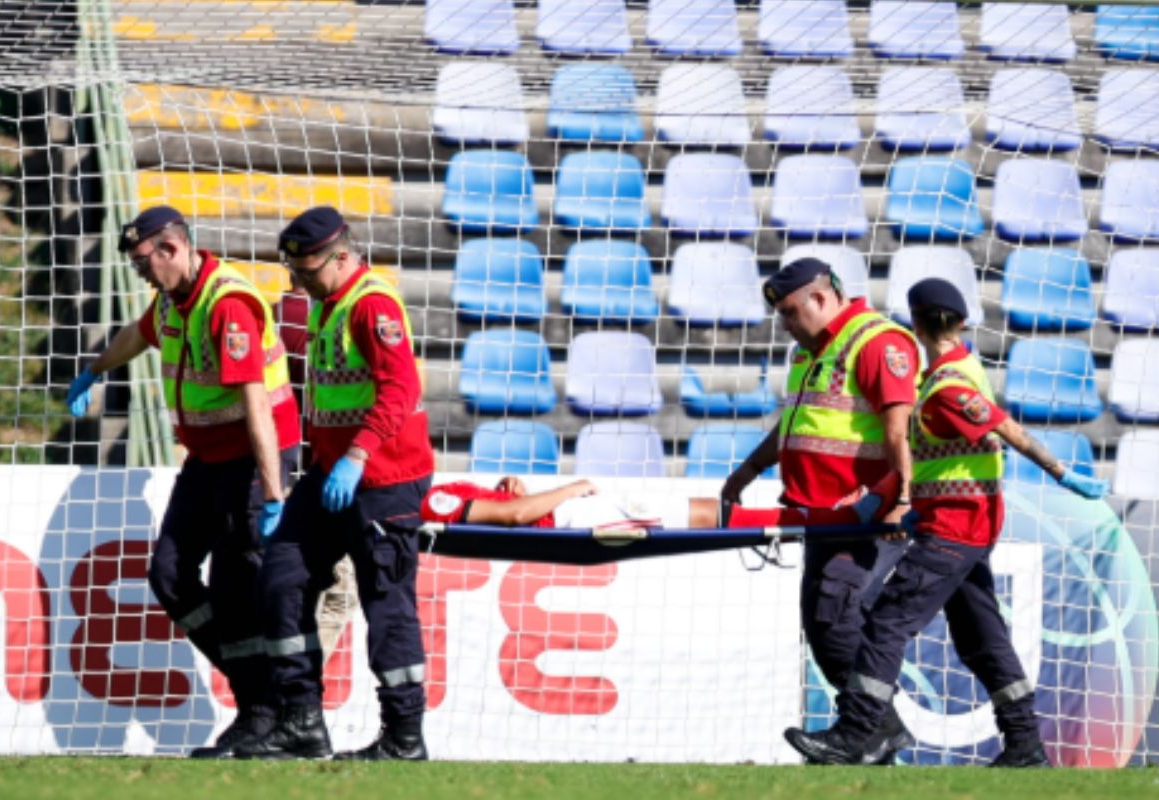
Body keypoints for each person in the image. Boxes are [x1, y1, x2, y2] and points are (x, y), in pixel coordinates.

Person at [783, 278, 1110, 768]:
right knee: (982, 636)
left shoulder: (947, 386)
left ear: (914, 324)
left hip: (956, 527)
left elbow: (1004, 429)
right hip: (957, 522)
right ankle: (1024, 745)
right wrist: (884, 500)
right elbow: (942, 453)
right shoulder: (961, 368)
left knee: (887, 623)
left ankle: (856, 733)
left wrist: (1064, 474)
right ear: (961, 322)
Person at [64, 205, 301, 758]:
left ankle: (267, 712)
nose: (142, 274)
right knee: (169, 574)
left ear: (171, 249)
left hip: (251, 457)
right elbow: (138, 334)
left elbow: (257, 406)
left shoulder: (229, 306)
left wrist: (272, 493)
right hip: (208, 459)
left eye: (145, 263)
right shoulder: (174, 298)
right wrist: (95, 369)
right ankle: (260, 693)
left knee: (237, 589)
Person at [234, 206, 434, 762]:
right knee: (280, 580)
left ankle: (403, 738)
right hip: (329, 478)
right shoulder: (329, 305)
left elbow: (399, 390)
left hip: (383, 480)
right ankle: (301, 720)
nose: (297, 280)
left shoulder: (372, 306)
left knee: (387, 606)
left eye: (306, 269)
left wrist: (356, 455)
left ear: (341, 256)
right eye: (293, 269)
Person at [720, 257, 920, 764]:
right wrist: (747, 471)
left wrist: (898, 500)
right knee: (823, 621)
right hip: (820, 514)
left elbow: (903, 433)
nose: (786, 323)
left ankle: (869, 731)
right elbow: (792, 428)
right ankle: (875, 738)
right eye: (781, 315)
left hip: (866, 514)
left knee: (835, 617)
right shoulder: (807, 352)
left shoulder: (877, 343)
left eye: (791, 311)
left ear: (822, 296)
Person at [273, 272, 358, 660]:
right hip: (329, 475)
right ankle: (299, 690)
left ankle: (290, 689)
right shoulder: (334, 318)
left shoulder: (271, 317)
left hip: (280, 472)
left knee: (291, 588)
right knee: (338, 592)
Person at [421, 473, 902, 532]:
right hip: (571, 514)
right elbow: (515, 516)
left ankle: (829, 514)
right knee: (703, 518)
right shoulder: (431, 502)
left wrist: (511, 486)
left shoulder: (439, 492)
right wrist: (570, 488)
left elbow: (509, 504)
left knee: (702, 513)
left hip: (569, 510)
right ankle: (835, 516)